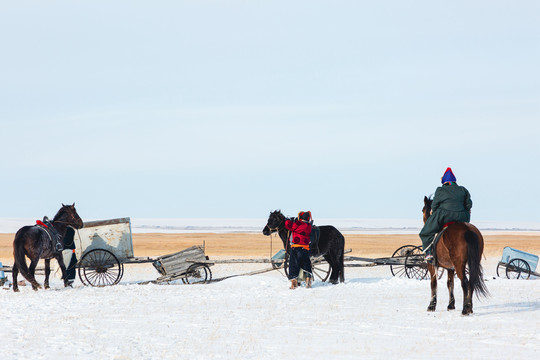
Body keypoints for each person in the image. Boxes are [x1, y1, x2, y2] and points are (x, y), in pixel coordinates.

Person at [419, 168, 472, 262]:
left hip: (444, 216)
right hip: (463, 217)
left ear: (444, 182)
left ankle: (429, 253)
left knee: (425, 232)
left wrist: (434, 212)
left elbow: (434, 205)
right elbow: (469, 205)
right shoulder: (463, 189)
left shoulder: (440, 190)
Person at [284, 211, 313, 289]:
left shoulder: (298, 224)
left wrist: (287, 220)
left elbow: (288, 225)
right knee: (306, 265)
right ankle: (308, 282)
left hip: (296, 248)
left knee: (293, 265)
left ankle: (294, 284)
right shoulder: (309, 226)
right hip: (305, 249)